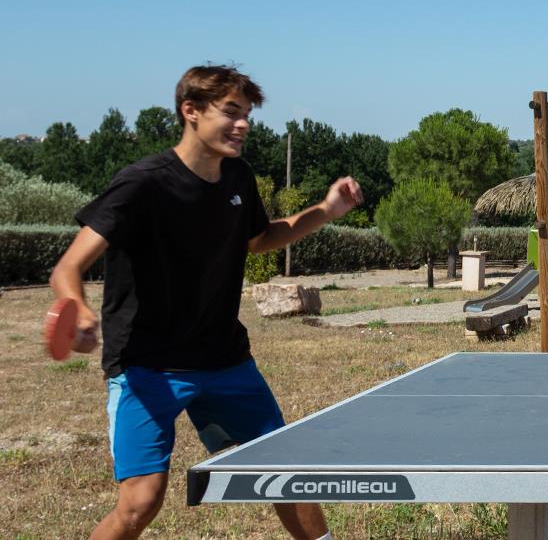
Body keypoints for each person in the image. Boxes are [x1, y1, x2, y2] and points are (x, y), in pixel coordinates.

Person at [49, 65, 357, 540]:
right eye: (231, 112)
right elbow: (67, 268)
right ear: (190, 111)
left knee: (287, 471)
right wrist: (80, 308)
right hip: (146, 366)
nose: (244, 125)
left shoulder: (237, 176)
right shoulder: (141, 185)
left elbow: (260, 239)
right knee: (140, 503)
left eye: (247, 114)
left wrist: (326, 211)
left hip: (223, 359)